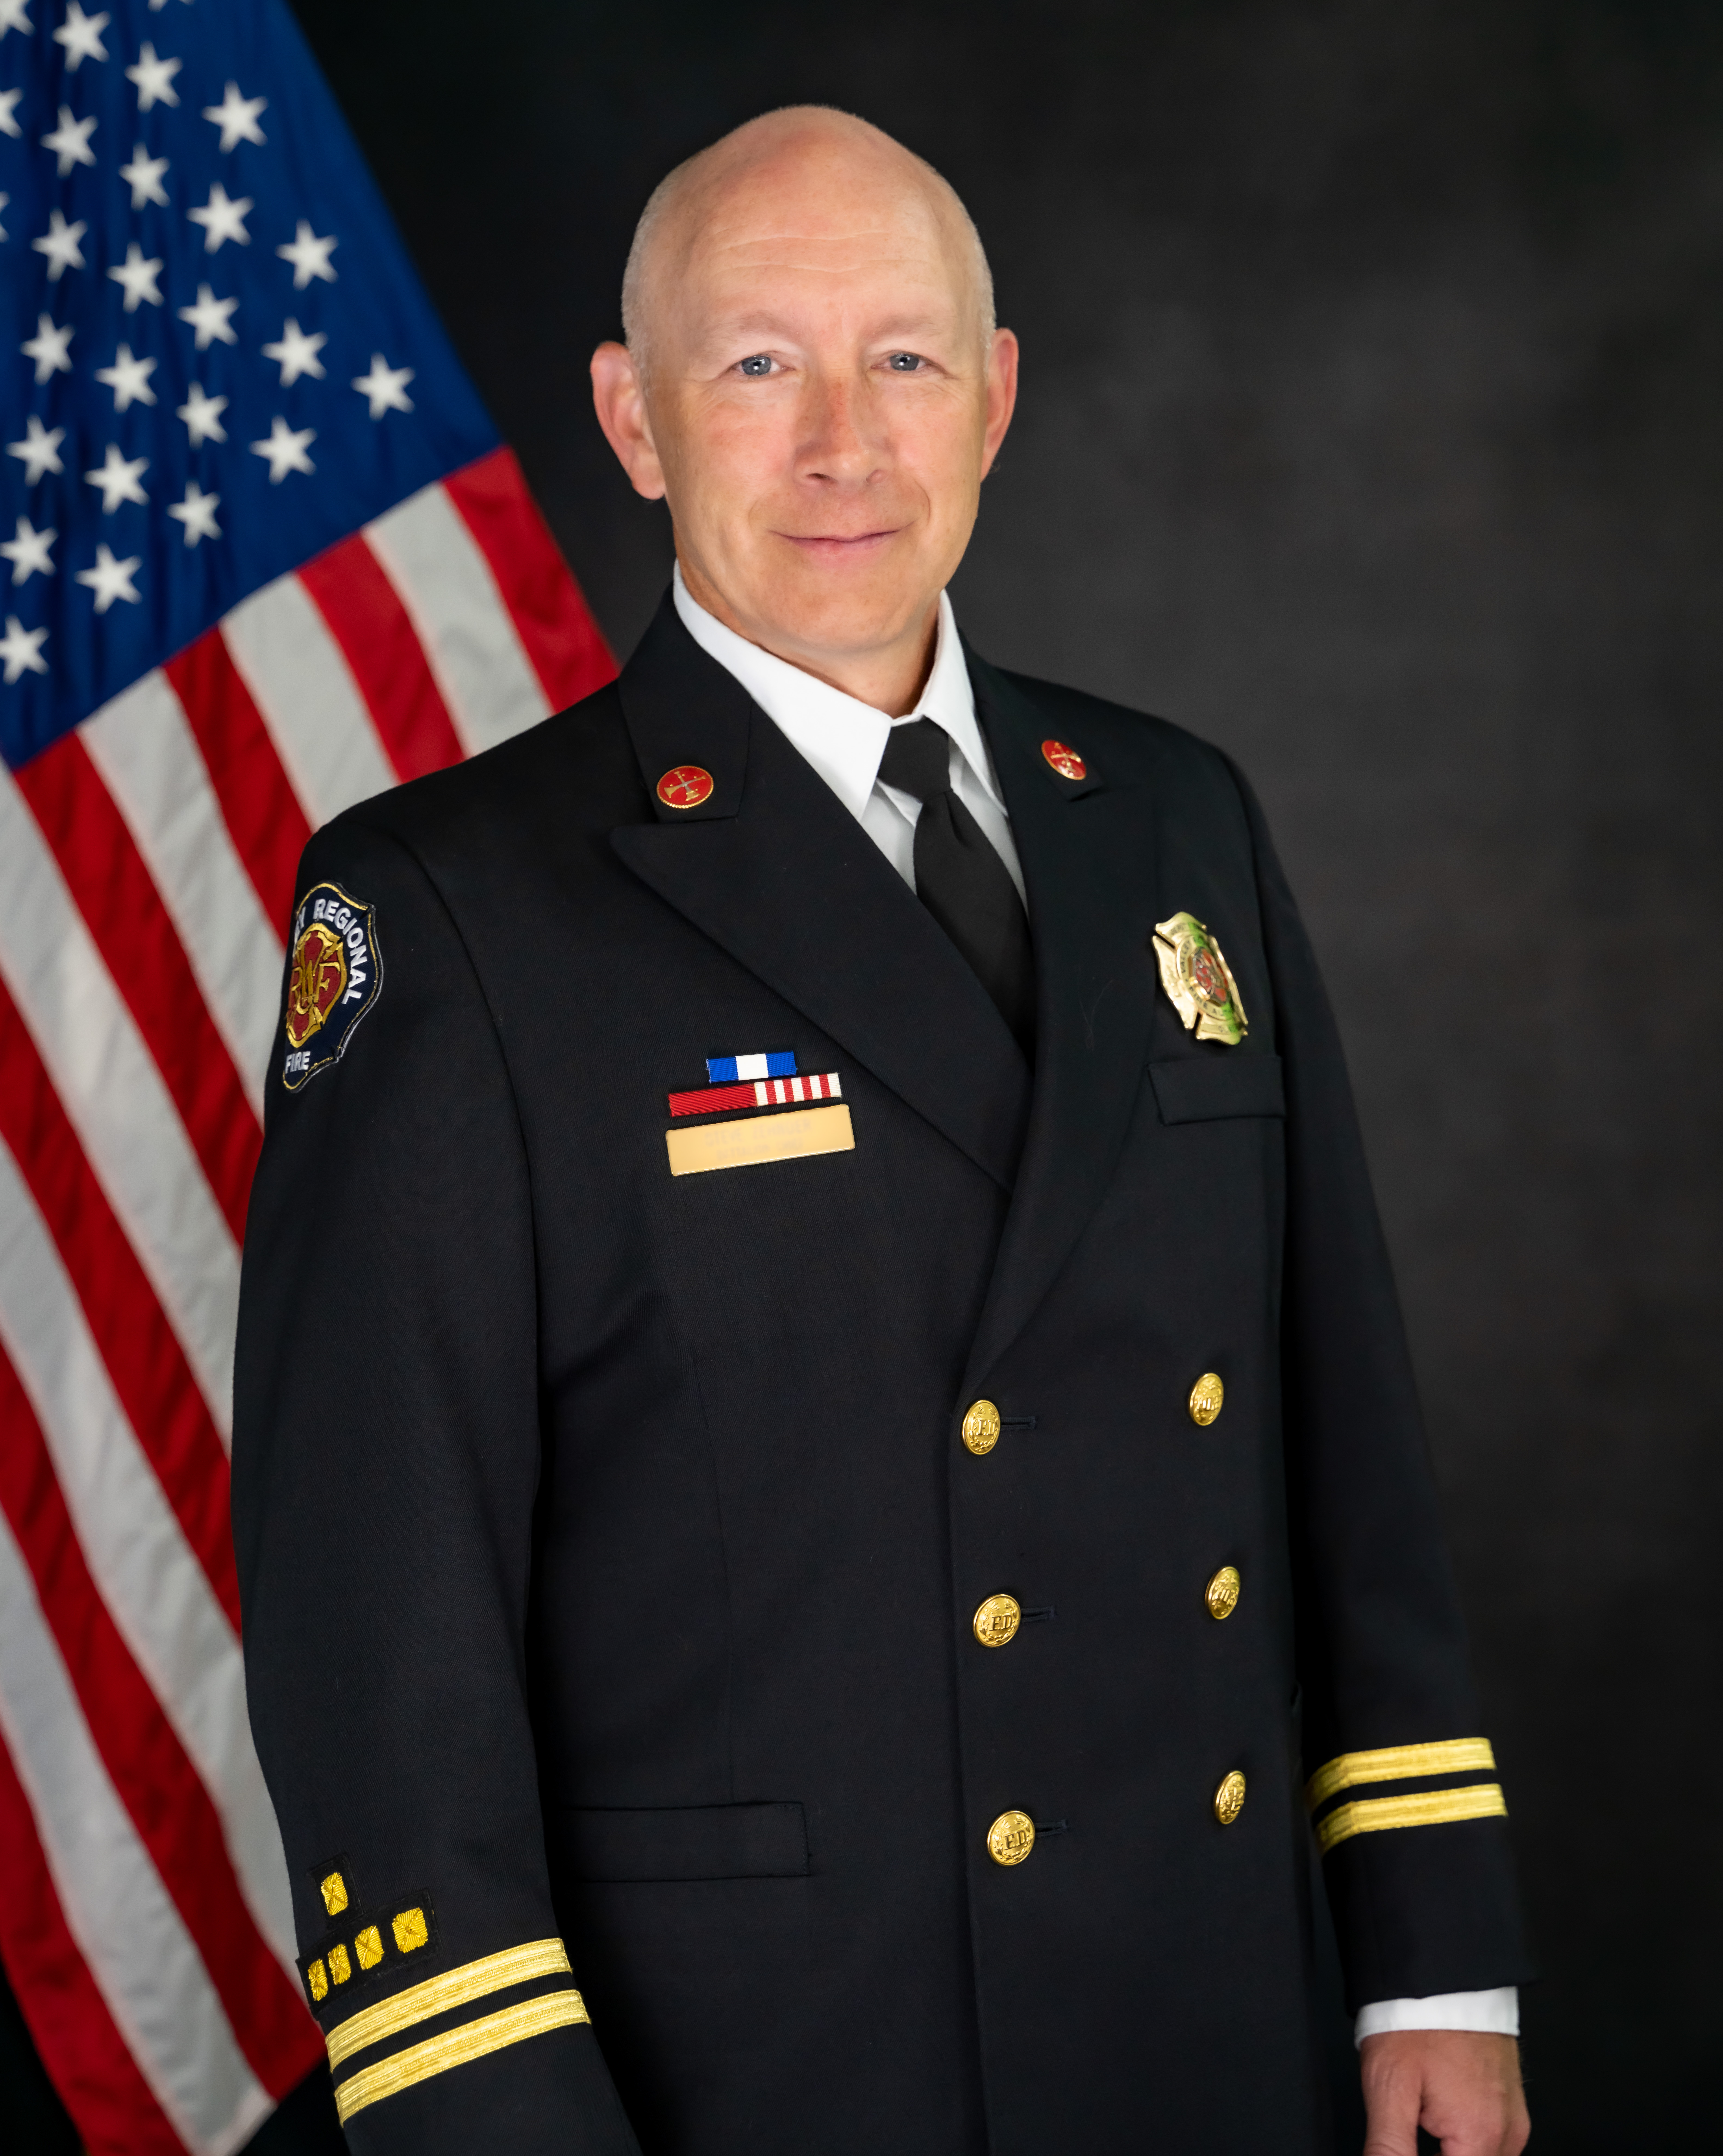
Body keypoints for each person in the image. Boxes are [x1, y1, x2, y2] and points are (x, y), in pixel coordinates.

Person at [233, 107, 1532, 2156]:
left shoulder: (1175, 817)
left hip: (1211, 2029)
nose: (845, 441)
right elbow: (374, 1620)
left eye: (904, 358)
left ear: (996, 396)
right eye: (759, 363)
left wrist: (1434, 1956)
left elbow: (1345, 1431)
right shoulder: (455, 909)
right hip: (751, 2073)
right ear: (634, 419)